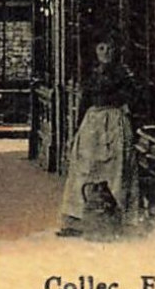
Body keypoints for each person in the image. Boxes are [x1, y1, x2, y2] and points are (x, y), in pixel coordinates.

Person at [59, 39, 138, 237]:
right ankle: (78, 220)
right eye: (101, 48)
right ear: (95, 51)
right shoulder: (92, 75)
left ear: (116, 50)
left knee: (117, 169)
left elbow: (131, 98)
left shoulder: (123, 74)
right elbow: (85, 101)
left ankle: (117, 220)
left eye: (110, 48)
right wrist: (76, 131)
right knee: (84, 167)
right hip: (92, 125)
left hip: (115, 123)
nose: (106, 52)